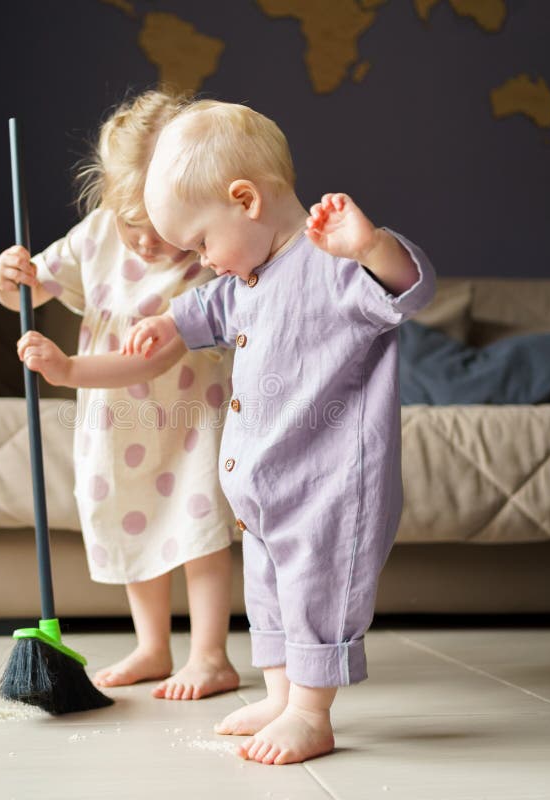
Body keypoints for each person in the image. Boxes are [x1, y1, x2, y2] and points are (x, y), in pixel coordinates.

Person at [121, 100, 436, 763]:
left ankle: (311, 714)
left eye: (203, 242)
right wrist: (170, 327)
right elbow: (206, 307)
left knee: (316, 595)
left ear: (246, 200)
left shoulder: (334, 263)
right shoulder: (246, 277)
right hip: (264, 489)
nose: (206, 262)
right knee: (266, 593)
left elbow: (410, 288)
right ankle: (279, 693)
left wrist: (370, 245)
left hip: (329, 490)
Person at [0, 90, 240, 701]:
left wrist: (69, 368)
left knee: (197, 525)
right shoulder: (98, 235)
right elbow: (33, 288)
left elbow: (156, 354)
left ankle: (211, 656)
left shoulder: (203, 255)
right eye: (133, 223)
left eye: (160, 224)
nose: (148, 241)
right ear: (107, 201)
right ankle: (153, 648)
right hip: (117, 425)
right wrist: (7, 277)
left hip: (188, 419)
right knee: (135, 521)